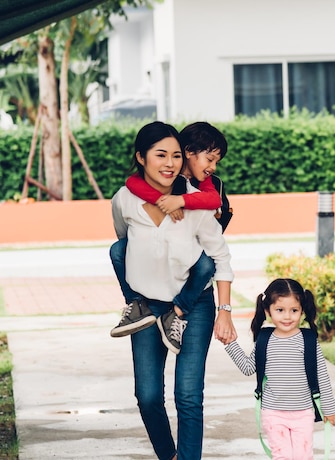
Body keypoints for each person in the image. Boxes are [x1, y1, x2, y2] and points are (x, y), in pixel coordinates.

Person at [111, 121, 236, 460]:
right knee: (148, 397)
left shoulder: (197, 203)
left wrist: (225, 313)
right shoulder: (124, 200)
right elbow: (124, 245)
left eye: (176, 156)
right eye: (160, 155)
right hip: (149, 309)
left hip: (194, 306)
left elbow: (221, 257)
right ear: (141, 157)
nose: (169, 163)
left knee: (188, 396)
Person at [109, 122, 229, 355]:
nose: (213, 167)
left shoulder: (205, 182)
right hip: (161, 270)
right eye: (210, 159)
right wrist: (160, 200)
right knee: (119, 249)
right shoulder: (142, 187)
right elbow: (131, 184)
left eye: (216, 161)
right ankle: (135, 303)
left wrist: (181, 201)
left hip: (196, 252)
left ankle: (179, 310)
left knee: (205, 264)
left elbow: (213, 201)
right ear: (188, 152)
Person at [224, 278, 335, 460]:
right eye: (280, 310)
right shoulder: (264, 340)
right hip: (273, 413)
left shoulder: (308, 341)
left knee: (303, 456)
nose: (287, 316)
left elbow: (322, 376)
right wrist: (230, 343)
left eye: (294, 310)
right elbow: (248, 368)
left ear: (302, 310)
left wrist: (329, 409)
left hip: (303, 413)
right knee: (283, 456)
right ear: (268, 310)